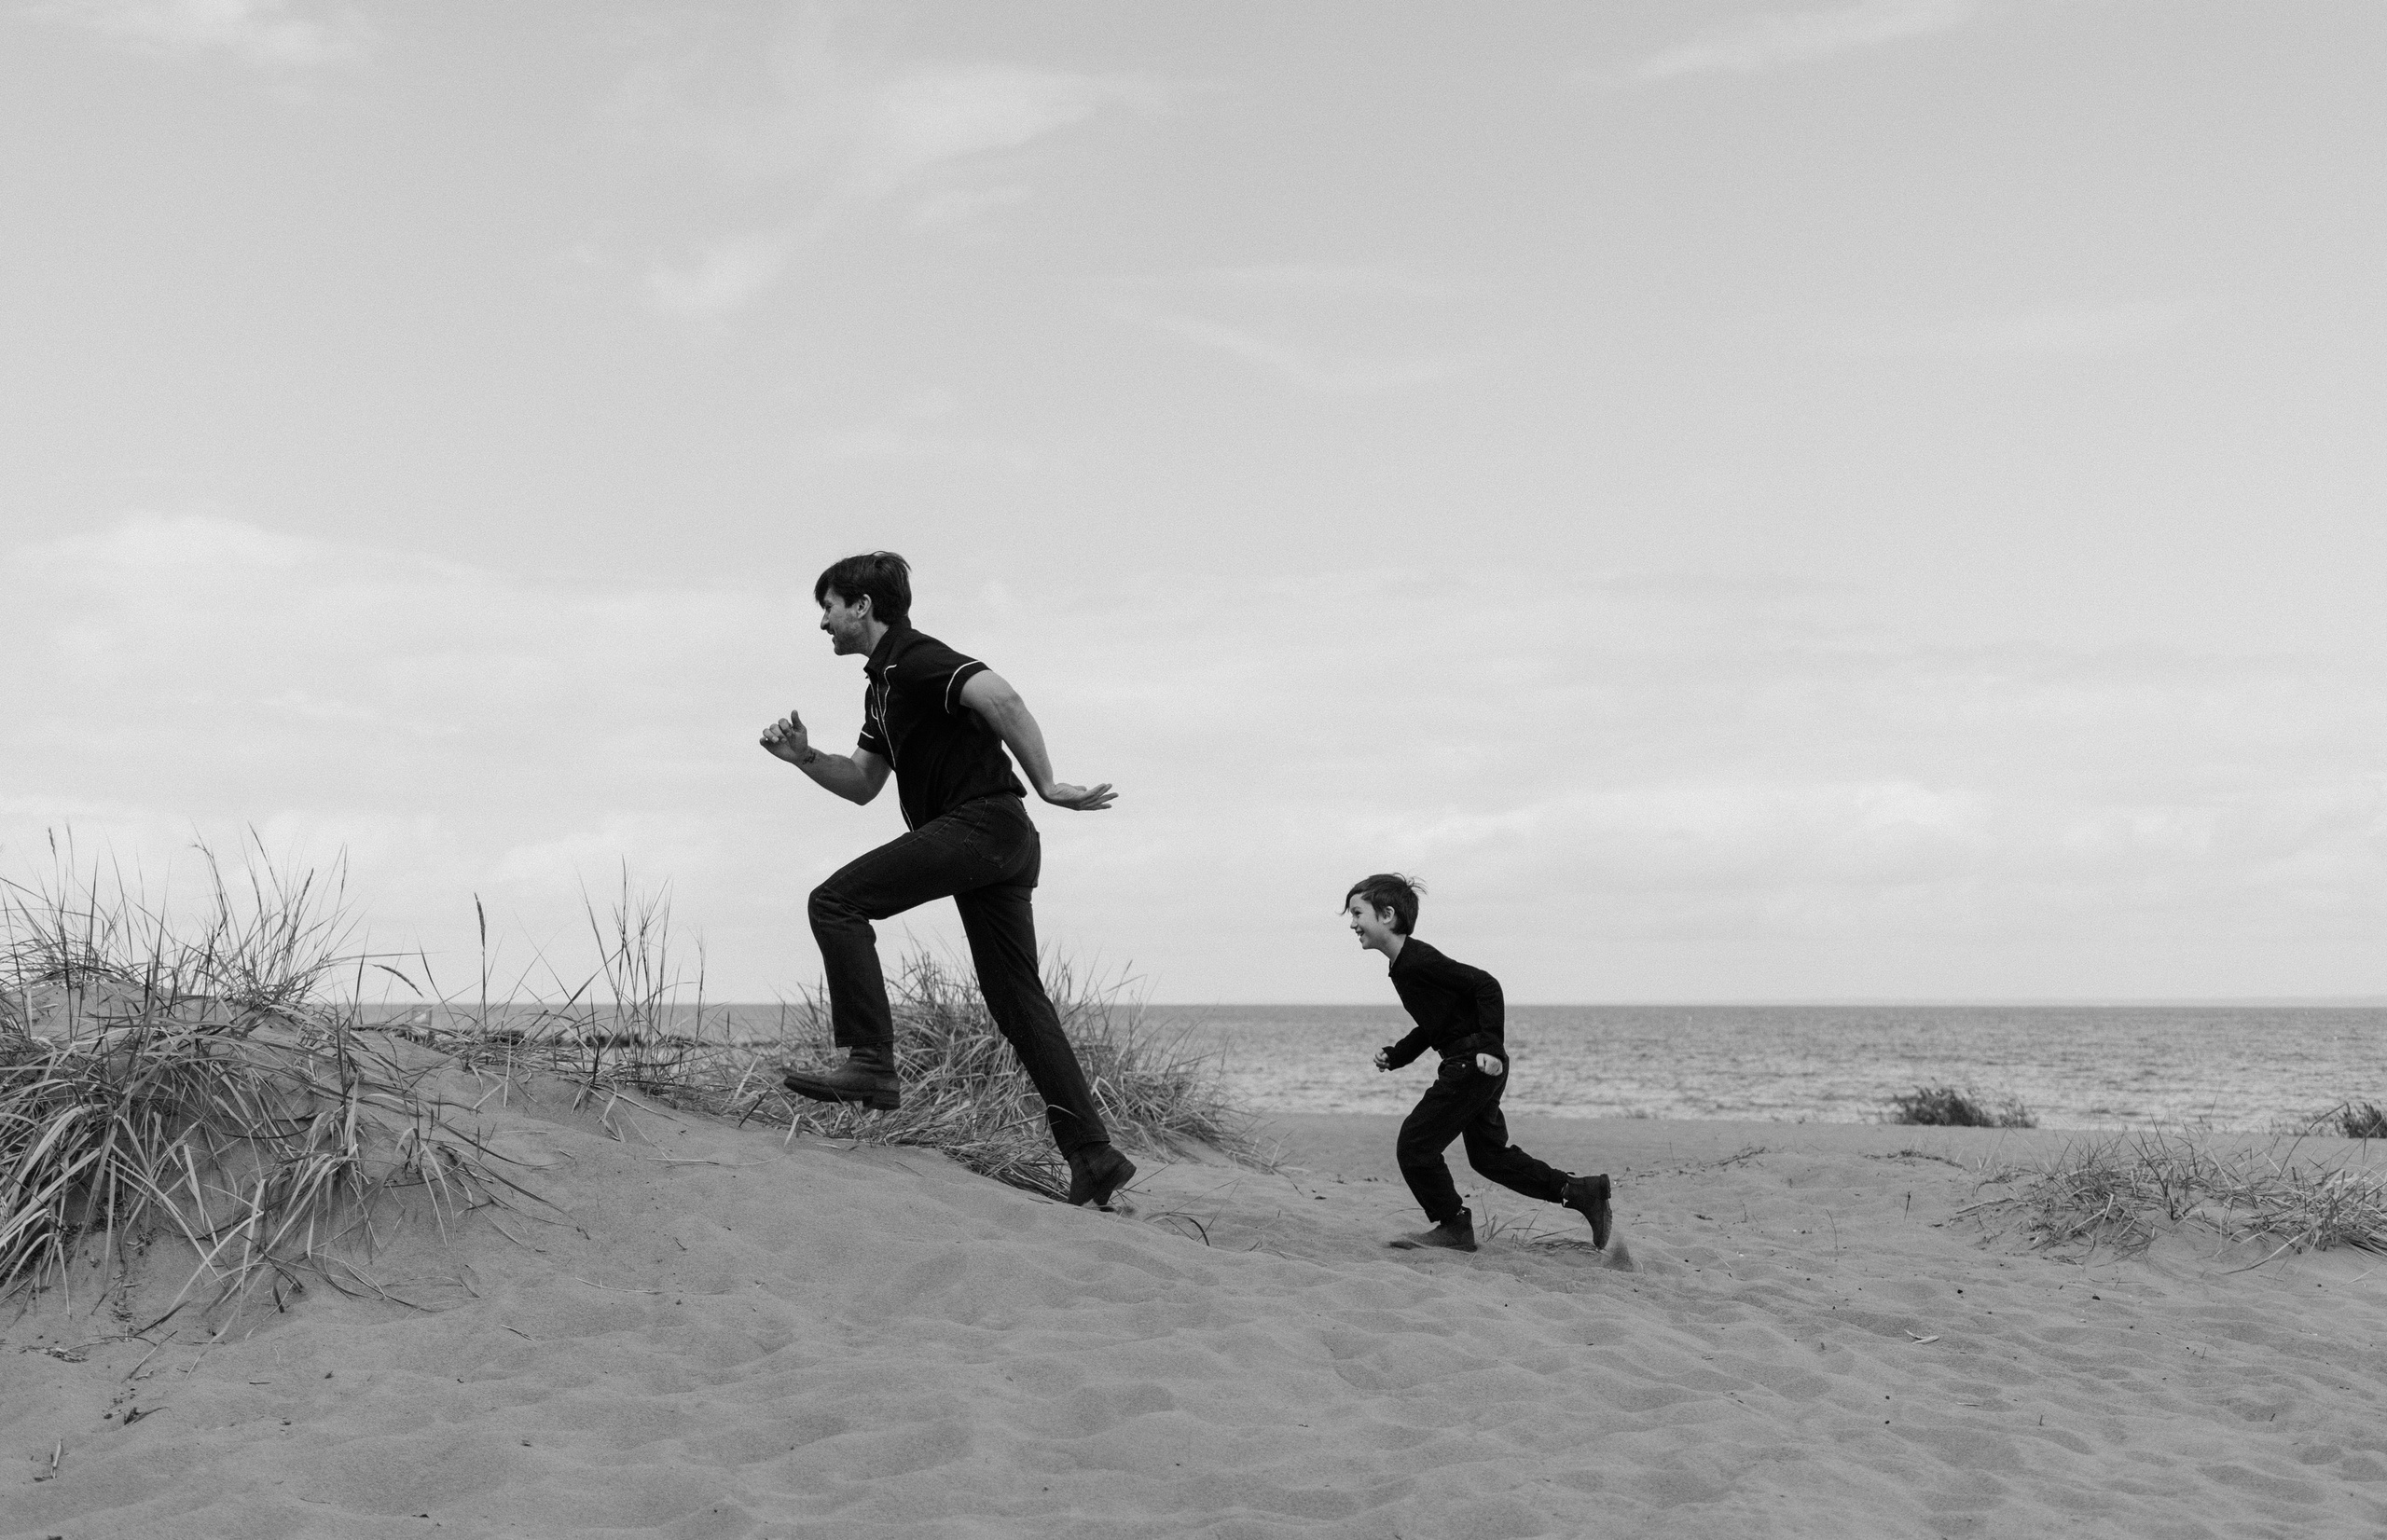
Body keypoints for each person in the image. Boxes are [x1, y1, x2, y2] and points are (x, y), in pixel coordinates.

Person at [760, 551, 1136, 1210]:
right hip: (996, 841)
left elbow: (1001, 696)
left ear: (862, 607)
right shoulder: (882, 686)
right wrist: (803, 758)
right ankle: (1094, 1156)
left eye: (828, 607)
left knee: (835, 903)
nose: (822, 622)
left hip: (984, 826)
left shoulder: (914, 658)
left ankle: (872, 1063)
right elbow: (862, 784)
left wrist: (1049, 784)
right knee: (1017, 1001)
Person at [1345, 873, 1613, 1253]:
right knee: (1489, 1157)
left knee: (1415, 1145)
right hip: (1474, 1062)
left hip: (1473, 1062)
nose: (1353, 924)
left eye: (1357, 913)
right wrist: (1398, 1054)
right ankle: (1582, 1192)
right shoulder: (1402, 967)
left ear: (1387, 915)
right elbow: (1434, 1024)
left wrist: (1489, 1045)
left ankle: (1453, 1225)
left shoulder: (1417, 960)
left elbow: (1485, 985)